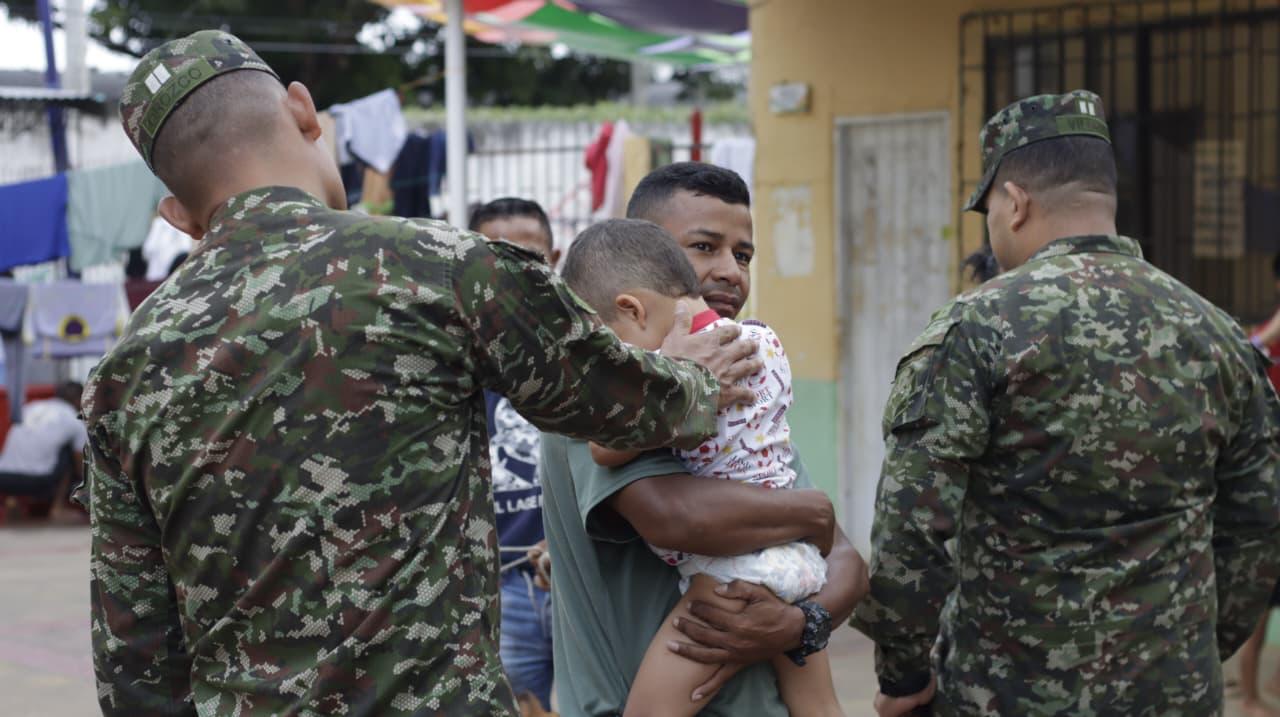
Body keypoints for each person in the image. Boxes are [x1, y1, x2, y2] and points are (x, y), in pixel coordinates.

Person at [83, 31, 763, 716]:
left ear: (179, 216)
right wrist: (696, 374)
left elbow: (134, 658)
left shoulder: (123, 371)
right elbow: (620, 404)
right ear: (303, 109)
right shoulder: (440, 269)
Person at [854, 90, 1280, 717]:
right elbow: (1259, 526)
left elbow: (910, 528)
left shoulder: (977, 328)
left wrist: (903, 674)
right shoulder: (1216, 332)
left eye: (990, 210)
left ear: (1015, 202)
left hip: (1004, 694)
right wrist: (1184, 651)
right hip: (1174, 693)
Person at [540, 162, 868, 717]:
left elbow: (845, 562)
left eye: (742, 255)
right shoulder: (600, 387)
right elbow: (679, 520)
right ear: (639, 263)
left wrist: (797, 624)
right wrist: (810, 514)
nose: (730, 272)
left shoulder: (742, 377)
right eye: (703, 247)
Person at [469, 198, 560, 710]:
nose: (517, 276)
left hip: (583, 591)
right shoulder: (451, 365)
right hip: (502, 597)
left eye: (531, 257)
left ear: (556, 258)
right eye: (495, 262)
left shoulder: (590, 357)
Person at [0, 381, 85, 521]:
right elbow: (80, 466)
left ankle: (13, 500)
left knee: (28, 445)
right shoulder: (74, 420)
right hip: (38, 481)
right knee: (69, 451)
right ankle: (57, 508)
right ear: (79, 400)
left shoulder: (29, 408)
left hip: (3, 477)